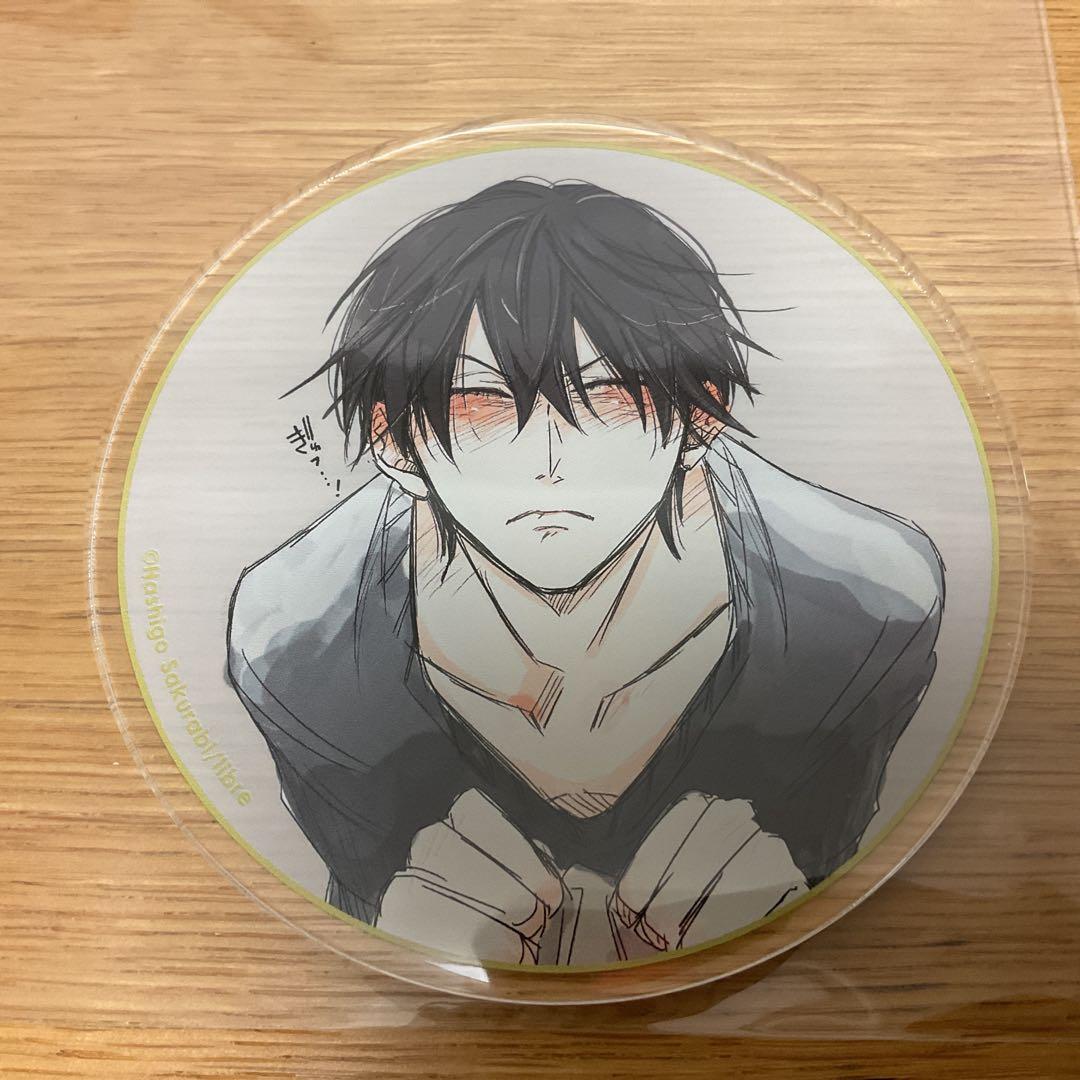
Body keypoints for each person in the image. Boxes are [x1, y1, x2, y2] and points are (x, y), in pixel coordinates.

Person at [226, 178, 944, 965]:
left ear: (700, 416)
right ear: (394, 443)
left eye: (608, 396)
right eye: (482, 403)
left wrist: (800, 897)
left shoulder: (866, 608)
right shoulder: (300, 643)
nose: (550, 462)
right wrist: (389, 922)